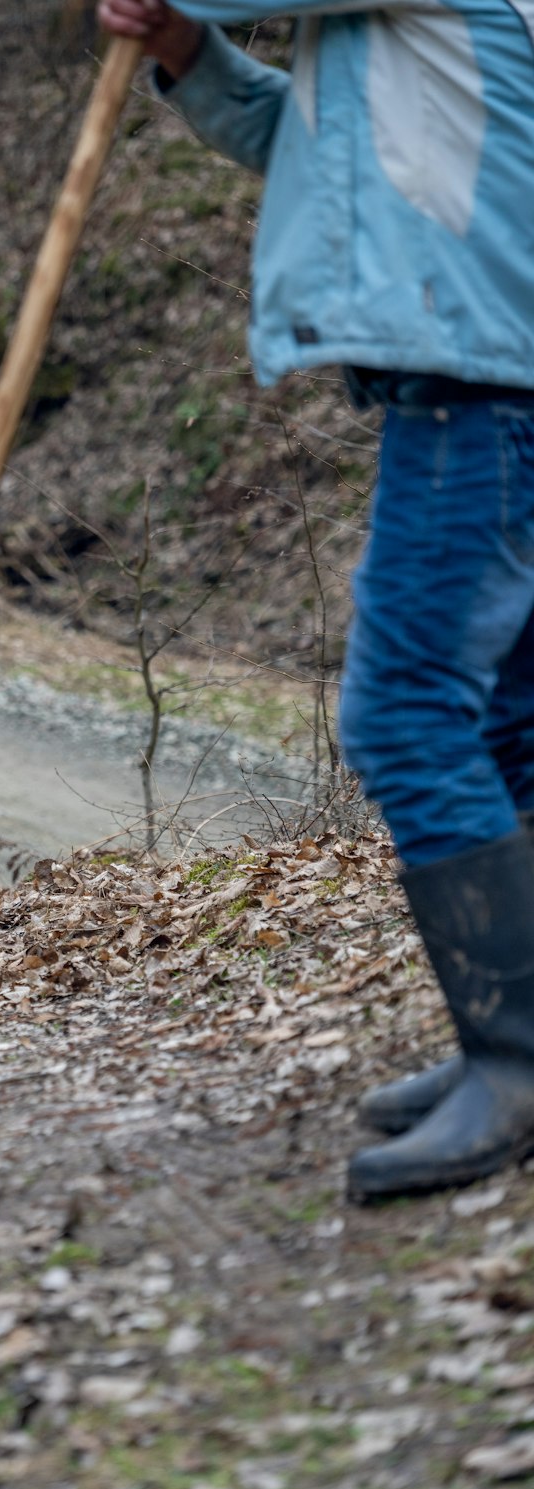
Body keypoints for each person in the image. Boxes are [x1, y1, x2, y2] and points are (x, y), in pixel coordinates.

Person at [97, 0, 534, 1199]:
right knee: (507, 723)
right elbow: (319, 153)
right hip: (490, 374)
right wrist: (188, 55)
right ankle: (509, 1047)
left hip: (484, 389)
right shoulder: (403, 32)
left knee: (404, 715)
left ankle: (516, 1062)